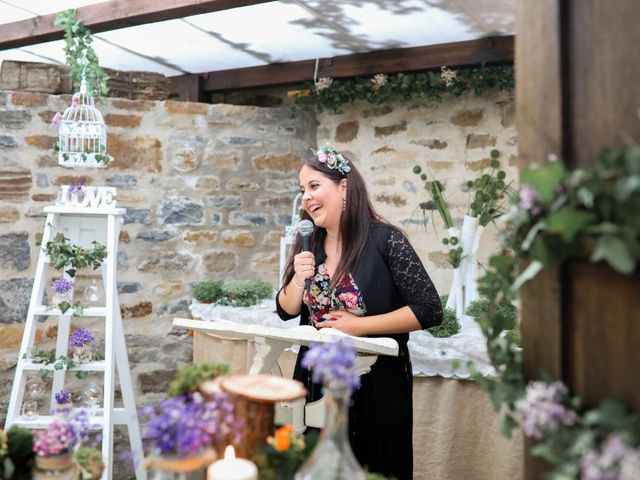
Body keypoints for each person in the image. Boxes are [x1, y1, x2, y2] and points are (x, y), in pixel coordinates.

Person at [276, 144, 443, 480]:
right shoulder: (307, 242)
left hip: (375, 382)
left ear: (344, 187)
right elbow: (285, 310)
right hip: (315, 377)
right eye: (302, 190)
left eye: (314, 186)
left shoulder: (386, 240)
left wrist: (360, 326)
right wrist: (298, 277)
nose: (306, 198)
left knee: (372, 464)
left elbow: (429, 309)